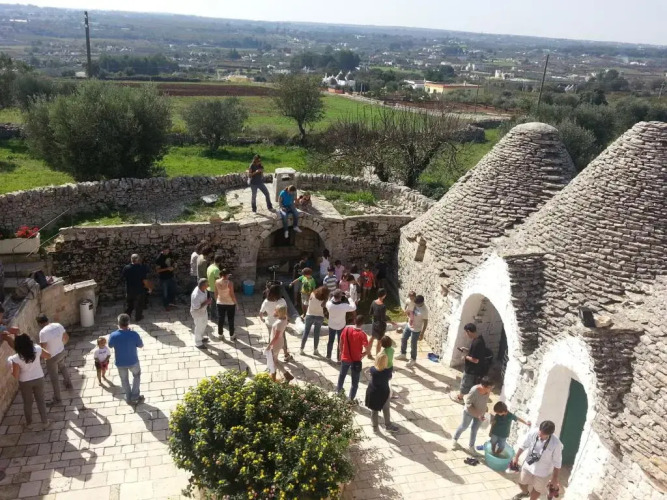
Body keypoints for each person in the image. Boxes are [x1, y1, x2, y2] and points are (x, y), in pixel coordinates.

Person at [7, 333, 51, 430]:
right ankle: (45, 422)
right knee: (40, 400)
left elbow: (15, 375)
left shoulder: (16, 358)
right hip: (39, 378)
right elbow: (48, 355)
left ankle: (29, 423)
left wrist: (10, 365)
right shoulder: (37, 349)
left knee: (28, 402)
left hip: (25, 382)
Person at [511, 421, 563, 500]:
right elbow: (524, 445)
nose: (540, 434)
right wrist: (516, 456)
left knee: (537, 489)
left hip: (543, 471)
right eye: (540, 431)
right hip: (528, 465)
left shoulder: (556, 444)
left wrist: (554, 478)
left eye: (543, 434)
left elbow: (557, 462)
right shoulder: (533, 432)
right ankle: (525, 493)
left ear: (550, 434)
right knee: (521, 482)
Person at [108, 313, 144, 405]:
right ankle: (135, 396)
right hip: (133, 361)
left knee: (124, 380)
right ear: (128, 323)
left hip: (120, 362)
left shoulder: (113, 335)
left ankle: (128, 398)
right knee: (136, 376)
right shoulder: (134, 334)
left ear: (118, 323)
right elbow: (140, 345)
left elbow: (110, 345)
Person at [37, 314, 72, 406]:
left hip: (51, 357)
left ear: (40, 323)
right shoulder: (58, 325)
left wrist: (41, 358)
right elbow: (66, 337)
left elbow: (43, 348)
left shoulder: (43, 332)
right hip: (61, 352)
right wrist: (60, 346)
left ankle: (57, 399)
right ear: (47, 319)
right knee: (63, 367)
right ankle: (68, 384)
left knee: (54, 378)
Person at [452, 376, 493, 453]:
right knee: (464, 426)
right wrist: (477, 414)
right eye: (490, 387)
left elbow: (484, 401)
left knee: (474, 430)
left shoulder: (488, 391)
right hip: (469, 413)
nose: (491, 389)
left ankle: (471, 447)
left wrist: (484, 411)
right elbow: (468, 404)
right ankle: (454, 440)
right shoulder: (474, 390)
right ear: (484, 386)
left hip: (480, 414)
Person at [365, 353, 400, 433]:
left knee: (374, 410)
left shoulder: (372, 369)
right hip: (383, 393)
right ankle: (388, 425)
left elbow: (370, 372)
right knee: (386, 409)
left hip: (373, 392)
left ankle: (375, 427)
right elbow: (389, 377)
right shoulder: (387, 372)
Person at [336, 315, 368, 401]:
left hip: (345, 357)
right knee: (355, 382)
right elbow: (367, 349)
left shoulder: (346, 330)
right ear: (363, 323)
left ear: (354, 321)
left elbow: (341, 342)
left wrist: (341, 352)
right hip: (356, 360)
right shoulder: (362, 334)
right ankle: (350, 399)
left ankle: (338, 392)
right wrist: (362, 355)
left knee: (342, 376)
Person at [453, 323, 487, 402]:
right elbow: (476, 353)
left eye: (466, 332)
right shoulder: (479, 339)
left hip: (471, 369)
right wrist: (466, 349)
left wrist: (465, 357)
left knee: (465, 384)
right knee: (471, 385)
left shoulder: (476, 343)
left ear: (468, 331)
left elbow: (476, 360)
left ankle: (460, 398)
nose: (466, 334)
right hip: (476, 369)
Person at [259, 285, 292, 361]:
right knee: (282, 338)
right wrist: (287, 320)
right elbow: (285, 312)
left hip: (270, 323)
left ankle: (271, 354)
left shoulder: (266, 301)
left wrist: (262, 319)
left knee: (271, 338)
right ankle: (286, 354)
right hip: (279, 323)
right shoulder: (282, 301)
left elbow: (260, 313)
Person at [396, 295, 429, 367]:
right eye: (415, 303)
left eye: (417, 304)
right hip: (409, 325)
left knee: (413, 344)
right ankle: (403, 354)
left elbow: (426, 322)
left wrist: (422, 333)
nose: (416, 305)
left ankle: (413, 359)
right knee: (403, 338)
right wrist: (407, 313)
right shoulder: (415, 303)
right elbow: (410, 309)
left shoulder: (424, 311)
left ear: (422, 302)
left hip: (416, 329)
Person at [325, 289, 357, 361]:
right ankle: (339, 359)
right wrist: (349, 297)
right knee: (340, 342)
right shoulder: (344, 306)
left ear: (333, 296)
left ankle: (328, 356)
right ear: (340, 297)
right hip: (341, 326)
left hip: (331, 325)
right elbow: (354, 307)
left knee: (330, 341)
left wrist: (330, 296)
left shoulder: (329, 305)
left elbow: (329, 300)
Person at [266, 304, 294, 383]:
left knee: (273, 361)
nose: (274, 311)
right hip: (280, 341)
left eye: (276, 310)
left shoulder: (279, 323)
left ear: (279, 312)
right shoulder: (285, 318)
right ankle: (277, 376)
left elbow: (276, 337)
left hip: (276, 343)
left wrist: (269, 346)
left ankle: (284, 375)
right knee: (275, 360)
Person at [367, 288, 397, 359]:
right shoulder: (383, 306)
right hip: (381, 326)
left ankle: (368, 353)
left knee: (372, 338)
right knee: (379, 341)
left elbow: (370, 313)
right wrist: (391, 322)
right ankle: (377, 357)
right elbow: (383, 319)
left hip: (374, 323)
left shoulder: (373, 302)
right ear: (384, 295)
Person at [300, 286, 329, 356]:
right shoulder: (324, 300)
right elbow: (325, 308)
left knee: (306, 332)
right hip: (319, 316)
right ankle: (315, 350)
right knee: (316, 334)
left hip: (309, 315)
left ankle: (301, 349)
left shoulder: (312, 294)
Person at [122, 253, 151, 322]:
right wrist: (149, 288)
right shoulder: (141, 268)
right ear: (138, 259)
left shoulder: (126, 268)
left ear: (131, 259)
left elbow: (124, 277)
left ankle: (126, 317)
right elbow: (144, 280)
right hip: (139, 290)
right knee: (139, 305)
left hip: (129, 290)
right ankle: (138, 317)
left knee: (129, 305)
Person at [215, 269, 238, 340]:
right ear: (226, 275)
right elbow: (232, 295)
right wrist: (236, 303)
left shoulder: (216, 281)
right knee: (230, 319)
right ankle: (232, 335)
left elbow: (216, 293)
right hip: (230, 303)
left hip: (220, 302)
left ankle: (220, 334)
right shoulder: (230, 283)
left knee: (220, 318)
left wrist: (216, 301)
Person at [191, 278, 212, 349]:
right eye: (207, 284)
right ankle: (198, 343)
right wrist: (207, 302)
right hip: (197, 313)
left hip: (203, 311)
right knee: (199, 327)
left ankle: (201, 337)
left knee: (204, 324)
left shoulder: (203, 289)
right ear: (203, 286)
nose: (208, 285)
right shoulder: (196, 295)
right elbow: (196, 307)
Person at [155, 247, 177, 311]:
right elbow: (157, 270)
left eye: (168, 251)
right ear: (163, 250)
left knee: (172, 291)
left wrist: (174, 266)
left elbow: (173, 262)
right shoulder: (159, 258)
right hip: (164, 278)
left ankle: (171, 303)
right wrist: (167, 269)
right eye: (165, 251)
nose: (167, 252)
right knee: (165, 293)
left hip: (171, 276)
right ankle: (166, 305)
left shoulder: (170, 254)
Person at [206, 255, 223, 321]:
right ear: (220, 261)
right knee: (217, 304)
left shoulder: (210, 267)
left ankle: (210, 316)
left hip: (209, 288)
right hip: (214, 289)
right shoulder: (216, 270)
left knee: (211, 303)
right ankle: (216, 317)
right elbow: (217, 281)